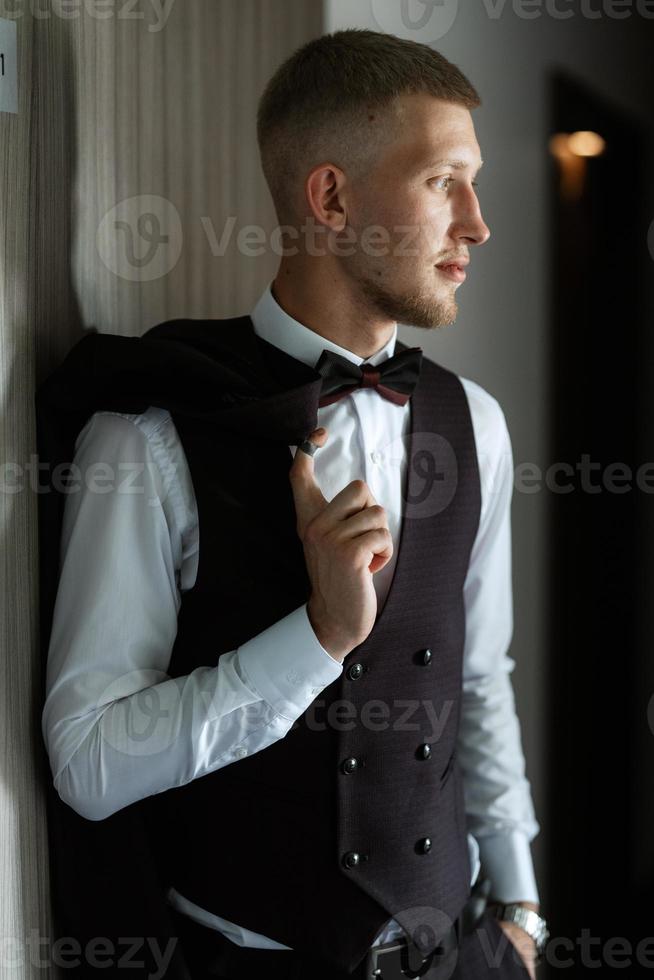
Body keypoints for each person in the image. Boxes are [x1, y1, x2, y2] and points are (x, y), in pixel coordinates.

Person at [38, 28, 547, 980]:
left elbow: (479, 679)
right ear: (332, 196)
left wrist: (521, 913)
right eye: (443, 181)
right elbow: (87, 762)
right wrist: (315, 639)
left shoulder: (476, 425)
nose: (476, 222)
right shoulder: (150, 436)